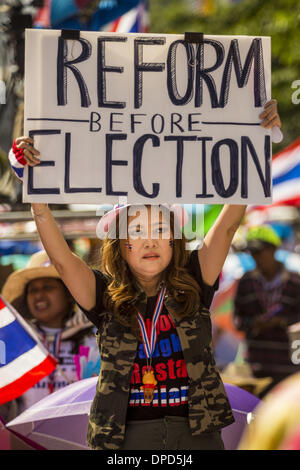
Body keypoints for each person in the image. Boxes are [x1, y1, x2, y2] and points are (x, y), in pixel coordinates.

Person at [8, 100, 281, 450]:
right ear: (121, 245)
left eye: (159, 228)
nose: (150, 240)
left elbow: (228, 226)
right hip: (126, 438)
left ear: (174, 239)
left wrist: (254, 143)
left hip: (196, 434)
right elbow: (61, 260)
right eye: (136, 231)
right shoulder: (103, 293)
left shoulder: (196, 279)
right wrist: (37, 191)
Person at [1, 250, 99, 414]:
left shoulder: (95, 338)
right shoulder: (15, 341)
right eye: (33, 290)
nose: (39, 295)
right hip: (25, 436)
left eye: (48, 287)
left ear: (69, 294)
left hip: (81, 436)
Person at [233, 225, 300, 397]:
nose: (256, 257)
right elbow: (237, 320)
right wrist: (253, 323)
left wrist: (283, 322)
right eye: (252, 252)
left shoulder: (295, 282)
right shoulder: (245, 281)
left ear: (274, 249)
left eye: (260, 251)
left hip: (288, 367)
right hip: (255, 367)